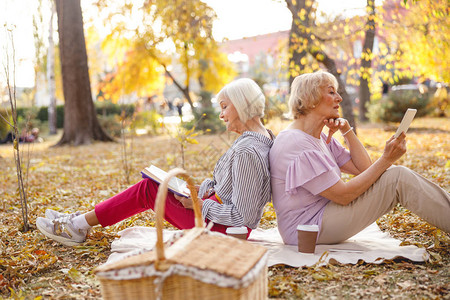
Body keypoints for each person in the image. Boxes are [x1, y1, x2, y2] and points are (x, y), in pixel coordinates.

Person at [37, 78, 275, 246]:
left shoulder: (248, 151)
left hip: (223, 230)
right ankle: (78, 221)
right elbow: (232, 191)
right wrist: (197, 193)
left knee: (149, 189)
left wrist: (200, 205)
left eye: (225, 107)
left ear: (242, 104)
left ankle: (77, 226)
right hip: (214, 215)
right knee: (155, 184)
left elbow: (243, 217)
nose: (221, 115)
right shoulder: (260, 139)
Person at [269, 70, 450, 246]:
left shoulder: (320, 137)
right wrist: (386, 159)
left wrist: (347, 131)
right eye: (331, 92)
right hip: (306, 229)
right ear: (310, 99)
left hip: (324, 215)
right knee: (397, 177)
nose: (339, 98)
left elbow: (363, 168)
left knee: (396, 174)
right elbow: (344, 195)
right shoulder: (296, 143)